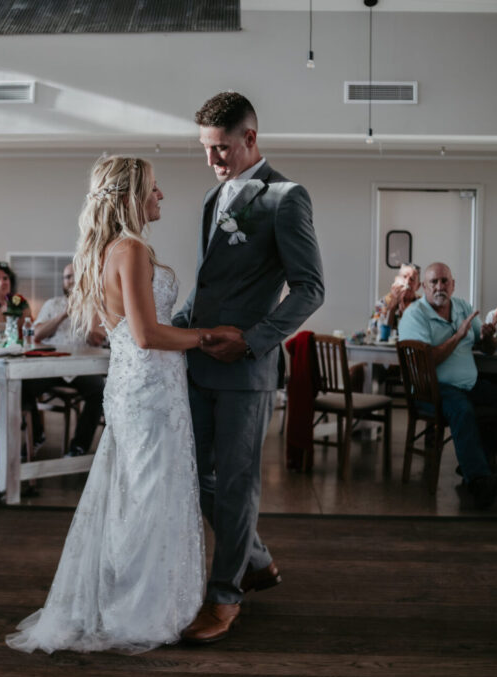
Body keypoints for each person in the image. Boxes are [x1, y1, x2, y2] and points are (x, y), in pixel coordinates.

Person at [6, 155, 240, 654]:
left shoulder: (112, 249)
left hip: (141, 386)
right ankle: (137, 609)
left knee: (138, 494)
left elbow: (114, 330)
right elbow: (146, 333)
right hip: (149, 393)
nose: (161, 196)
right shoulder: (130, 249)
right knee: (148, 497)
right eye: (154, 189)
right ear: (131, 197)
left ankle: (133, 597)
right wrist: (205, 337)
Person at [173, 91, 325, 644]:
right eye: (206, 150)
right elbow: (207, 286)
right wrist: (162, 332)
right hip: (196, 364)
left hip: (245, 372)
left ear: (250, 139)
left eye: (221, 148)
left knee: (237, 486)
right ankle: (256, 561)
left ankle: (224, 597)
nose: (213, 160)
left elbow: (311, 288)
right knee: (193, 475)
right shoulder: (214, 202)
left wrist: (256, 341)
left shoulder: (286, 197)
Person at [398, 262, 497, 509]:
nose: (440, 286)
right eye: (434, 282)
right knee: (463, 410)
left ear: (453, 284)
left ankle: (479, 457)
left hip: (469, 384)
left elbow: (486, 349)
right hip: (433, 389)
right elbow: (425, 362)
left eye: (445, 281)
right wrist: (458, 336)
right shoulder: (414, 314)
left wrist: (489, 336)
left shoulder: (462, 307)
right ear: (424, 287)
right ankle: (479, 481)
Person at [23, 263, 106, 458]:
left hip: (83, 368)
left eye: (75, 277)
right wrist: (63, 315)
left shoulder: (95, 305)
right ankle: (36, 435)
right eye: (67, 277)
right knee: (23, 387)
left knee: (99, 391)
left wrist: (81, 318)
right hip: (52, 367)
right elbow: (36, 335)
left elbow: (97, 340)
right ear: (63, 281)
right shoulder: (52, 304)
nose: (71, 281)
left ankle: (79, 447)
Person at [371, 263, 421, 333]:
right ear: (396, 280)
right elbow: (374, 330)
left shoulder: (423, 304)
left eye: (412, 279)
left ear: (418, 286)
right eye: (404, 277)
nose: (407, 282)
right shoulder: (382, 303)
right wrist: (392, 308)